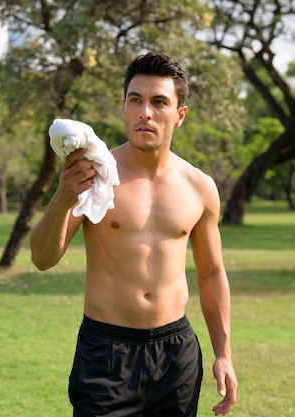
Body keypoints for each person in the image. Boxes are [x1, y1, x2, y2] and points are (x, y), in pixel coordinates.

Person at [29, 52, 237, 417]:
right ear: (123, 108)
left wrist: (223, 354)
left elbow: (211, 273)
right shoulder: (95, 175)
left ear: (180, 115)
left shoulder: (200, 187)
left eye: (159, 102)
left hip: (177, 355)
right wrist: (62, 197)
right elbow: (42, 258)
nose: (145, 112)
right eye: (135, 100)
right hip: (106, 352)